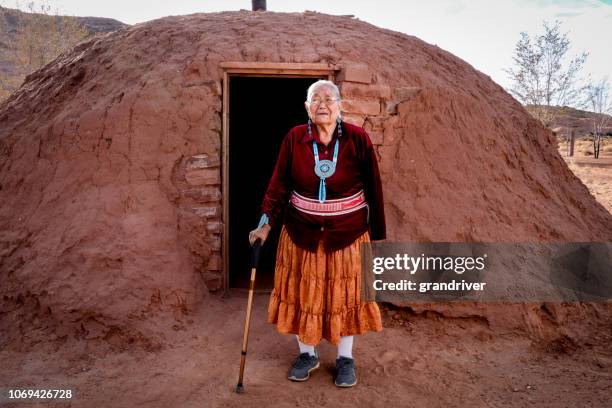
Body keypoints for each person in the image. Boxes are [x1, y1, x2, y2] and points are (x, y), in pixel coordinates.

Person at [248, 79, 386, 388]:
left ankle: (345, 358)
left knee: (347, 295)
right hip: (302, 231)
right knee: (302, 293)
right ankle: (307, 354)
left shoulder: (357, 138)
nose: (323, 104)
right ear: (307, 108)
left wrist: (375, 232)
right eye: (316, 99)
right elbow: (278, 184)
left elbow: (373, 186)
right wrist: (265, 222)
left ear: (340, 106)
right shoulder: (295, 139)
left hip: (347, 234)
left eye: (329, 98)